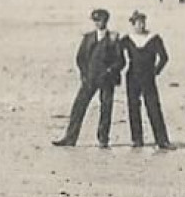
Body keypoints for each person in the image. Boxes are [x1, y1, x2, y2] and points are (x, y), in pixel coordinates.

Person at [53, 8, 125, 148]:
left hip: (107, 79)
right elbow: (80, 58)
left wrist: (110, 71)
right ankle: (70, 138)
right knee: (78, 107)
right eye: (96, 21)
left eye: (100, 20)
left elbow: (120, 60)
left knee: (106, 108)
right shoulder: (88, 38)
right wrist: (84, 74)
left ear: (106, 21)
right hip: (90, 78)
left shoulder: (113, 39)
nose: (98, 23)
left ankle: (103, 139)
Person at [119, 11, 173, 149]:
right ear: (132, 24)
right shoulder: (127, 39)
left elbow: (164, 57)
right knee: (133, 106)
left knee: (153, 106)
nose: (141, 25)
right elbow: (118, 56)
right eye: (137, 23)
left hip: (148, 76)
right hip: (132, 76)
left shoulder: (154, 39)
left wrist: (155, 71)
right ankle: (137, 139)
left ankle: (162, 140)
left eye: (143, 22)